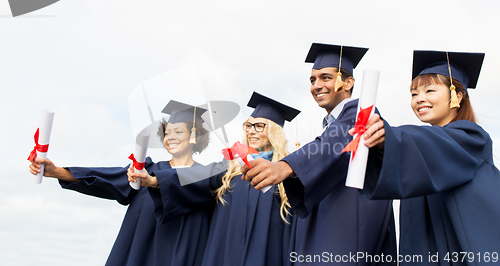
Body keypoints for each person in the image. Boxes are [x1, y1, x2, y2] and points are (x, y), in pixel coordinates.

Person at [242, 43, 396, 265]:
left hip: (349, 229)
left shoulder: (362, 113)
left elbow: (337, 141)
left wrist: (285, 167)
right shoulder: (331, 125)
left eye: (325, 77)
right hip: (331, 228)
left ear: (348, 82)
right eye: (313, 80)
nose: (316, 85)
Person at [29, 100, 214, 266]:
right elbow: (108, 178)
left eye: (178, 131)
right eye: (167, 133)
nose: (170, 137)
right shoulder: (145, 171)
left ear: (194, 136)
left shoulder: (207, 179)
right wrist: (57, 172)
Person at [361, 50, 500, 265]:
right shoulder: (421, 147)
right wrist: (380, 147)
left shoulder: (473, 138)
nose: (419, 99)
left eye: (429, 90)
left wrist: (391, 137)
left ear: (457, 96)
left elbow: (435, 142)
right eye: (414, 94)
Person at [146, 91, 300, 265]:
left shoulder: (286, 172)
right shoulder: (230, 168)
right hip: (224, 254)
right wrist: (156, 180)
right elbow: (198, 176)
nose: (251, 131)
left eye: (259, 126)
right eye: (248, 126)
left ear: (274, 132)